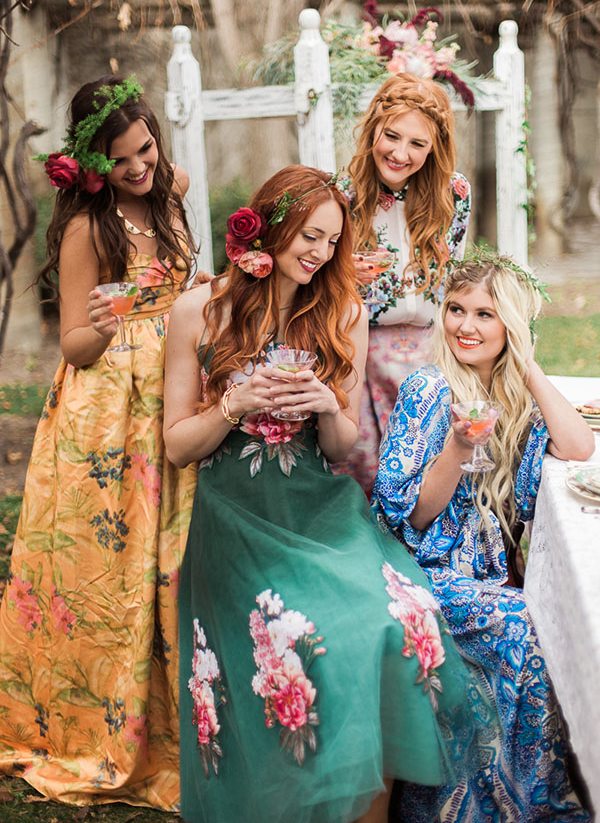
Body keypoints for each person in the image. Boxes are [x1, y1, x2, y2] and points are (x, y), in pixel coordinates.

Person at [163, 165, 496, 823]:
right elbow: (177, 446)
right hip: (236, 520)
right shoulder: (198, 310)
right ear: (270, 226)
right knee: (314, 640)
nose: (319, 252)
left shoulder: (342, 310)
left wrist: (324, 404)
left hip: (322, 511)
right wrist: (234, 404)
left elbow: (343, 447)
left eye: (332, 240)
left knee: (400, 621)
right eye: (308, 236)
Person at [0, 75, 197, 809]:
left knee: (172, 555)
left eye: (145, 149)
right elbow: (74, 344)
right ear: (93, 164)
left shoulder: (171, 189)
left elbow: (182, 286)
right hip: (110, 415)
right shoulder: (89, 229)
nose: (140, 166)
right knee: (111, 569)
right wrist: (105, 327)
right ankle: (97, 718)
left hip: (176, 389)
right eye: (121, 160)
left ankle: (180, 713)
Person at [372, 253, 594, 822]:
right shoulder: (428, 389)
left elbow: (578, 446)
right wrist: (458, 447)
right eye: (455, 309)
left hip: (481, 574)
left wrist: (527, 365)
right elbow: (412, 518)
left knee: (535, 616)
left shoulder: (511, 394)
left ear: (511, 326)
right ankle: (530, 805)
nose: (464, 326)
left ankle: (503, 802)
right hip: (422, 571)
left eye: (485, 314)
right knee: (524, 624)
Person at [333, 73, 471, 495]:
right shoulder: (341, 195)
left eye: (417, 143)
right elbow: (312, 280)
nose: (399, 153)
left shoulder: (454, 194)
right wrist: (339, 273)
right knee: (364, 468)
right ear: (373, 128)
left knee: (427, 470)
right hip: (360, 351)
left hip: (429, 355)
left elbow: (453, 280)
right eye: (391, 136)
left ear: (434, 148)